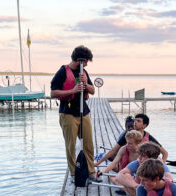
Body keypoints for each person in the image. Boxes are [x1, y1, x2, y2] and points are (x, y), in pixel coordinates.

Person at [50, 45, 96, 180]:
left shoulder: (84, 73)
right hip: (68, 112)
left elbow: (92, 91)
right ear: (80, 60)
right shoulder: (63, 71)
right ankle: (74, 173)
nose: (87, 64)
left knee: (88, 143)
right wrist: (73, 90)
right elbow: (53, 93)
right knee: (71, 145)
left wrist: (85, 84)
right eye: (86, 61)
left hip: (83, 112)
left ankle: (91, 171)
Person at [94, 113, 168, 166]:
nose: (135, 123)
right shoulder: (128, 135)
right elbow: (113, 150)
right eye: (135, 120)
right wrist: (98, 163)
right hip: (127, 166)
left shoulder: (149, 138)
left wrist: (161, 165)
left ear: (144, 125)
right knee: (112, 159)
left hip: (140, 166)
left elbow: (165, 153)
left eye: (138, 121)